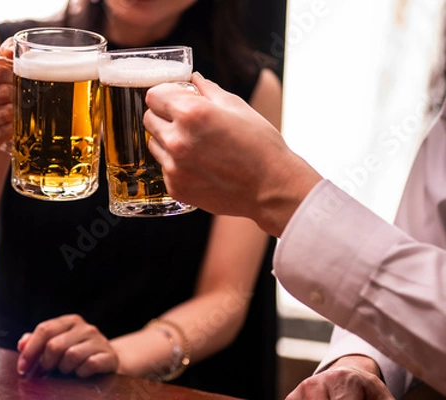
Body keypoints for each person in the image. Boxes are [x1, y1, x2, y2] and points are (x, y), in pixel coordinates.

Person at [0, 0, 284, 398]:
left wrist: (114, 357)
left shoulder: (243, 87)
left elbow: (226, 297)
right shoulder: (18, 52)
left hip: (155, 386)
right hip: (17, 371)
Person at [142, 70, 446, 396]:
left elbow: (226, 297)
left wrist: (279, 188)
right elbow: (415, 261)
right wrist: (360, 362)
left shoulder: (247, 86)